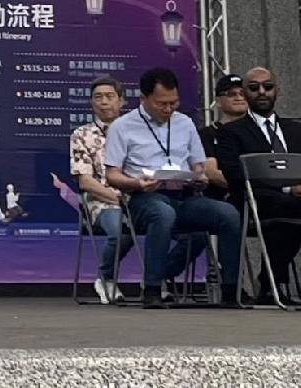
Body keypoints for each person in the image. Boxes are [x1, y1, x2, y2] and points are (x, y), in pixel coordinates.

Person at [104, 67, 241, 308]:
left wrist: (199, 177)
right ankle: (153, 288)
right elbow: (112, 175)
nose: (168, 109)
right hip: (144, 197)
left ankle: (231, 290)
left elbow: (198, 164)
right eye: (161, 104)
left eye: (173, 103)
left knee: (228, 214)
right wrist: (137, 183)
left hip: (184, 194)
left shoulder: (184, 123)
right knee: (163, 213)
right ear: (143, 98)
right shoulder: (122, 127)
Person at [216, 66, 301, 304]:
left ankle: (269, 283)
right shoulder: (231, 132)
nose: (262, 92)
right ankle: (270, 284)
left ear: (277, 91)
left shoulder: (296, 129)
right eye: (254, 88)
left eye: (268, 86)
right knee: (286, 207)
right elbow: (233, 174)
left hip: (294, 199)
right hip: (252, 198)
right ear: (245, 93)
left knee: (290, 211)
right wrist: (286, 188)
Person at [69, 76, 134, 303]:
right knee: (121, 232)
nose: (104, 102)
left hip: (140, 197)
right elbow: (86, 182)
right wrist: (116, 198)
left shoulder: (138, 132)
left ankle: (158, 279)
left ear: (121, 101)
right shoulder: (82, 135)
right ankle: (106, 278)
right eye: (98, 97)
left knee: (183, 229)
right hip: (102, 200)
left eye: (109, 96)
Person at [199, 74, 247, 199]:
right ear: (218, 102)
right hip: (222, 199)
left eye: (243, 93)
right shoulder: (207, 134)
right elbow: (212, 173)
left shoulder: (257, 132)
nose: (239, 98)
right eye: (231, 94)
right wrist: (247, 186)